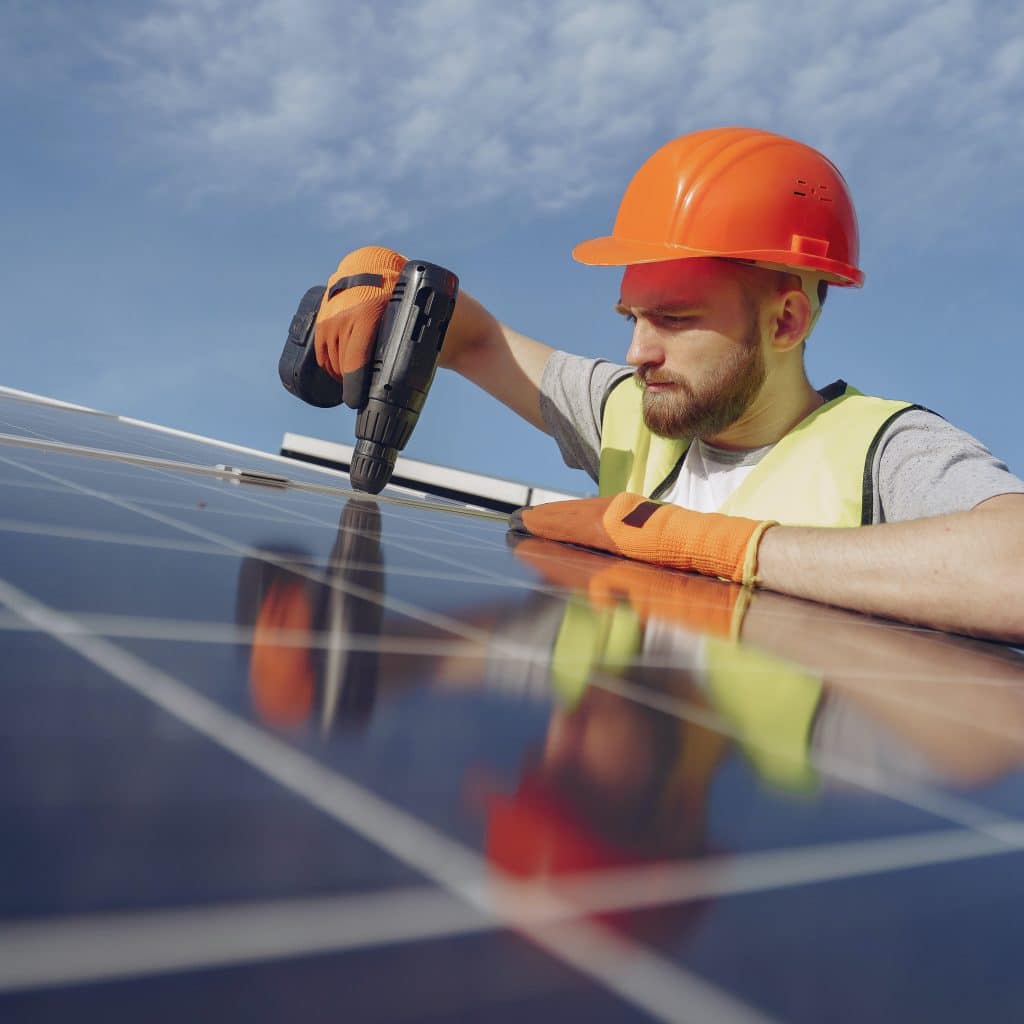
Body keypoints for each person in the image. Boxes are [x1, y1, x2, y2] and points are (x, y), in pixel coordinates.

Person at [313, 127, 1024, 642]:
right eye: (632, 316)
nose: (637, 352)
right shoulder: (634, 412)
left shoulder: (882, 450)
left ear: (786, 322)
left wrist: (703, 545)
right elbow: (470, 335)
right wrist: (383, 276)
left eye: (675, 319)